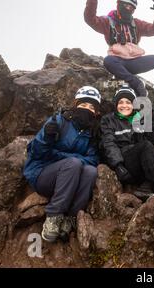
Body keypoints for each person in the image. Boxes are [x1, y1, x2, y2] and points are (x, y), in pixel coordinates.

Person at [23, 86, 101, 242]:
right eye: (84, 105)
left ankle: (71, 217)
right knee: (73, 163)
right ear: (76, 104)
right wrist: (46, 138)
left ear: (96, 112)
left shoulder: (91, 132)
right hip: (42, 174)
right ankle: (53, 216)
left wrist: (63, 157)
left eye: (92, 107)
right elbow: (36, 152)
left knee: (91, 171)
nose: (87, 109)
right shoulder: (58, 121)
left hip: (70, 176)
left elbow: (92, 159)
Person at [84, 0, 154, 100]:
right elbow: (90, 19)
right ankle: (135, 82)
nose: (129, 9)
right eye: (127, 6)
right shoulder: (107, 21)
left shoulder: (136, 23)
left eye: (132, 8)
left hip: (135, 62)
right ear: (119, 4)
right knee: (108, 61)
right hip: (117, 62)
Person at [100, 85, 154, 208]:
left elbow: (150, 142)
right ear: (116, 104)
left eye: (128, 102)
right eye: (120, 102)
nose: (124, 105)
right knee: (145, 146)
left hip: (143, 163)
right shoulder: (108, 120)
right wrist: (117, 165)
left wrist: (152, 122)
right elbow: (108, 143)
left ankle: (146, 187)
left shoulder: (139, 118)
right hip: (125, 163)